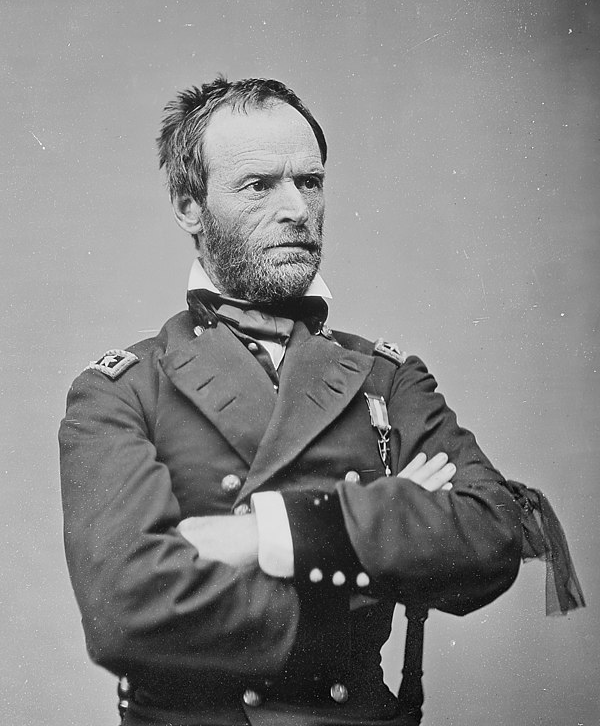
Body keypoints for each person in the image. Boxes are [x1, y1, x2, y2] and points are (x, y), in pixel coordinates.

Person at [59, 77, 584, 726]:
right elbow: (126, 615)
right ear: (189, 205)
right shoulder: (124, 389)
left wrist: (265, 535)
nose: (297, 209)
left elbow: (493, 531)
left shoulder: (385, 378)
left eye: (309, 182)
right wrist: (380, 546)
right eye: (259, 186)